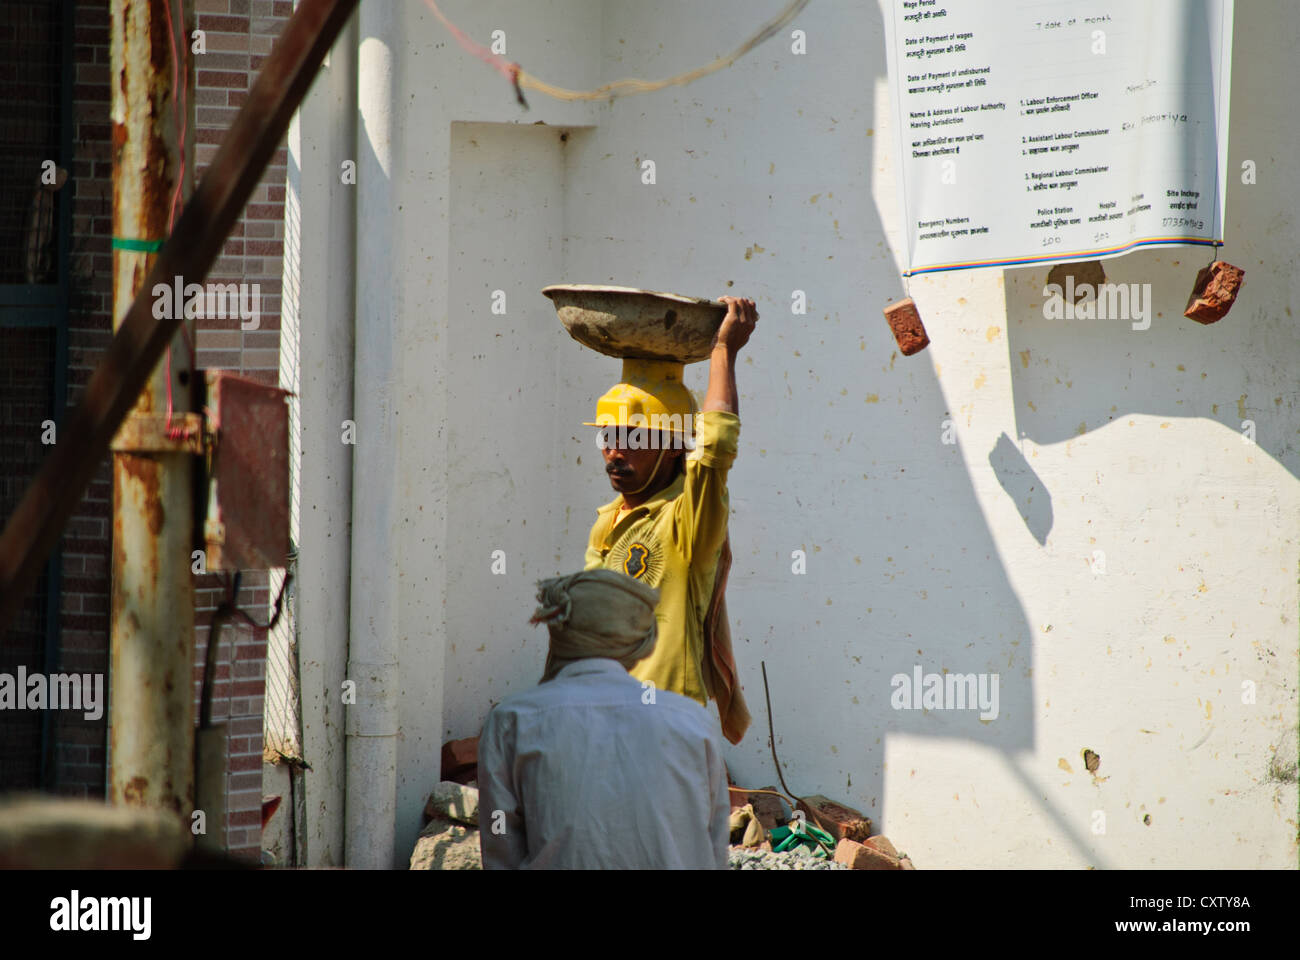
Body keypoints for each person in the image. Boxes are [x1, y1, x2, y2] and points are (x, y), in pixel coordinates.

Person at [582, 295, 757, 744]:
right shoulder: (608, 522)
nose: (615, 451)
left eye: (635, 438)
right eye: (608, 436)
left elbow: (716, 448)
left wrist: (722, 351)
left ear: (677, 445)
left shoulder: (689, 521)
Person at [478, 568, 731, 869]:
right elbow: (714, 845)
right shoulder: (692, 721)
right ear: (639, 642)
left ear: (558, 631)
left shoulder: (511, 720)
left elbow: (501, 851)